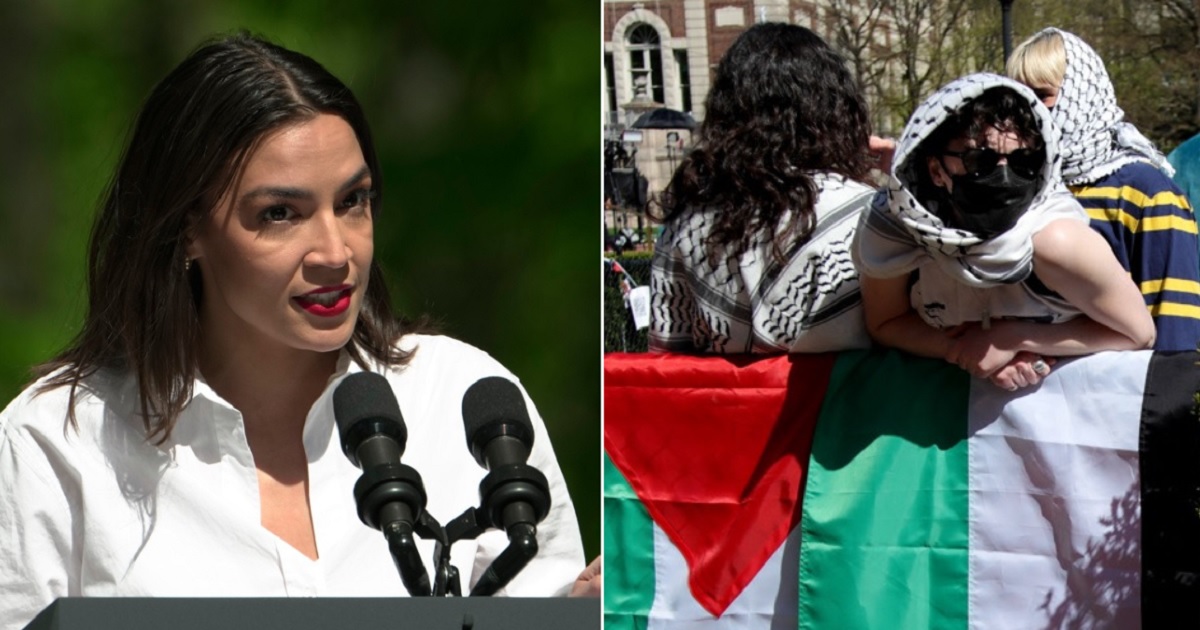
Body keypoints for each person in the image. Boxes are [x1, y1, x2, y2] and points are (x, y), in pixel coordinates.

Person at [0, 33, 588, 629]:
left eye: (353, 201)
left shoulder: (465, 398)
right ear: (186, 230)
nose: (336, 251)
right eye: (280, 213)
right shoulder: (56, 445)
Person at [853, 74, 1155, 391]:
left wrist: (1014, 338)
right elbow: (885, 323)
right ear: (935, 170)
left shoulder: (1056, 241)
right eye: (979, 160)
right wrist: (961, 349)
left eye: (1024, 160)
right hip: (952, 420)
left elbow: (1138, 333)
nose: (1004, 177)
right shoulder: (897, 229)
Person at [648, 22, 877, 354]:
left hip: (720, 405)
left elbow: (664, 363)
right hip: (844, 403)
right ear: (835, 108)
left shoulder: (687, 223)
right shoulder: (865, 214)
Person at [1007, 27, 1200, 351]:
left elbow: (1175, 337)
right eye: (1016, 98)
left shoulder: (1145, 193)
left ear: (1080, 93)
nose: (1028, 111)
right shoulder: (1014, 189)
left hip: (1116, 396)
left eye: (1041, 95)